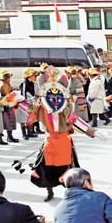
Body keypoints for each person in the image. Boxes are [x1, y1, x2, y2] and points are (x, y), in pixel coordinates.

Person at [30, 69, 80, 201]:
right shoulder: (42, 104)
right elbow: (33, 113)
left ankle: (70, 193)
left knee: (67, 168)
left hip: (63, 140)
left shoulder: (66, 103)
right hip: (50, 140)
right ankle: (49, 191)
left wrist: (65, 106)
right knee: (45, 167)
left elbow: (71, 118)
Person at [0, 70, 19, 143]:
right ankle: (9, 137)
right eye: (9, 77)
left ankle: (10, 137)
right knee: (8, 121)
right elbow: (7, 96)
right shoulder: (4, 85)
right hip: (7, 105)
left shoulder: (6, 84)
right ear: (6, 78)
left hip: (8, 104)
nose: (10, 79)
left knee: (10, 121)